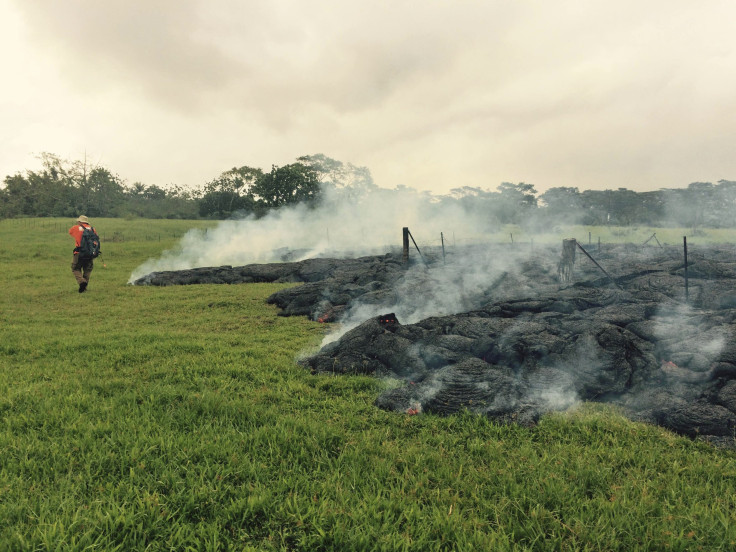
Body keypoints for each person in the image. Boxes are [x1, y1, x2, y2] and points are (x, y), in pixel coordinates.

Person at [69, 215, 97, 293]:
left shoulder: (76, 228)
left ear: (80, 222)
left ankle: (82, 282)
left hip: (79, 253)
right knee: (87, 270)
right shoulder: (92, 229)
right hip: (90, 253)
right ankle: (84, 288)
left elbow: (70, 232)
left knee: (75, 268)